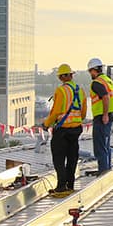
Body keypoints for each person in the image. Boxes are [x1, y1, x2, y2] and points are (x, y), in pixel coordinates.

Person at [42, 63, 88, 197]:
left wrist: (46, 124)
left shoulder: (60, 91)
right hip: (76, 129)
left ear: (61, 77)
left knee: (59, 159)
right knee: (72, 157)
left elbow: (56, 111)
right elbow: (83, 113)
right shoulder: (80, 90)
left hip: (62, 130)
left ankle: (61, 187)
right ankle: (70, 185)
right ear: (71, 75)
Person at [87, 58, 113, 174]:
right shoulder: (109, 81)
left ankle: (103, 172)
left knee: (100, 147)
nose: (90, 74)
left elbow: (105, 97)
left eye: (90, 71)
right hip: (110, 116)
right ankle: (107, 170)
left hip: (101, 117)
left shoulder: (96, 83)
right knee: (106, 146)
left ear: (93, 70)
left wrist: (105, 114)